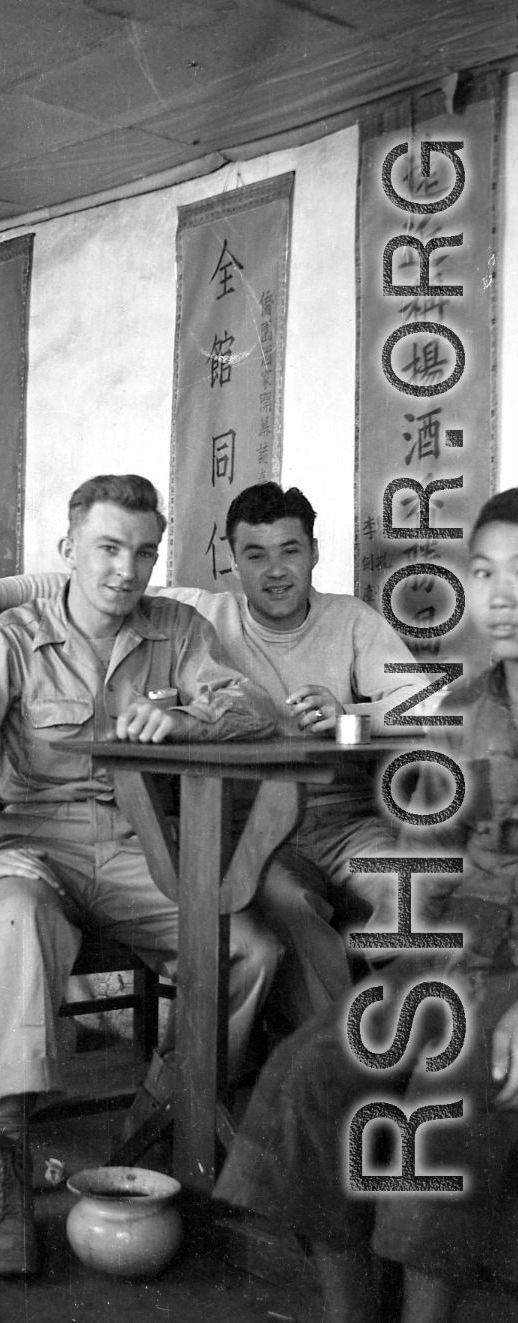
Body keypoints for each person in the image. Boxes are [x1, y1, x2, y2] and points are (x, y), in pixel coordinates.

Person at [0, 474, 279, 1277]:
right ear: (69, 548)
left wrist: (185, 719)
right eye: (107, 547)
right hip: (38, 845)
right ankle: (5, 1161)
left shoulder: (175, 629)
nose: (125, 569)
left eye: (143, 552)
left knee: (248, 944)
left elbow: (249, 708)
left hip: (145, 849)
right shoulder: (9, 638)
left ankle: (157, 1112)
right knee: (13, 923)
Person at [0, 482, 425, 1018]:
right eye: (256, 554)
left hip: (344, 820)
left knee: (413, 889)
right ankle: (322, 1056)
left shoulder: (352, 621)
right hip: (252, 827)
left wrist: (352, 717)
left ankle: (392, 1030)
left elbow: (426, 700)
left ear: (315, 553)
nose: (275, 571)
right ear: (233, 561)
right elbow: (91, 578)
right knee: (284, 904)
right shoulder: (202, 611)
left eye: (291, 551)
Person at [211, 488, 518, 1323]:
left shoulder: (357, 628)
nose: (500, 596)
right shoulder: (474, 705)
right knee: (306, 1072)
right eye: (485, 571)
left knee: (441, 1097)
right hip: (461, 945)